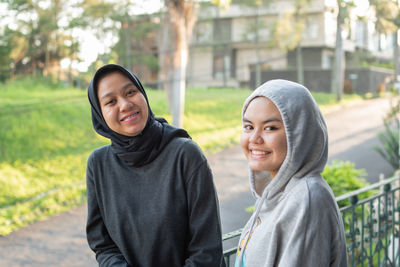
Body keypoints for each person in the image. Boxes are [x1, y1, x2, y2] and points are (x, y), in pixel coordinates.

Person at [85, 64, 225, 267]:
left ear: (143, 94)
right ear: (100, 114)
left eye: (130, 92)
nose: (125, 105)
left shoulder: (185, 154)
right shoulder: (98, 164)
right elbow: (103, 245)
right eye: (111, 101)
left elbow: (207, 250)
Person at [235, 80, 348, 267]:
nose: (254, 138)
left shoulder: (307, 199)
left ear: (299, 133)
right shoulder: (278, 195)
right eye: (249, 127)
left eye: (270, 127)